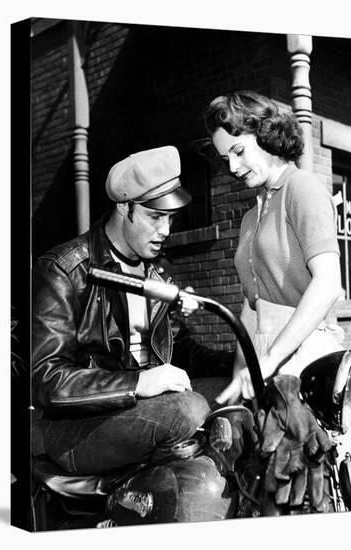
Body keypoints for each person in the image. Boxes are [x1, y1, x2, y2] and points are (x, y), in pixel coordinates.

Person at [32, 145, 232, 475]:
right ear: (125, 207)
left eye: (170, 218)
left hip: (151, 410)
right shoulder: (64, 269)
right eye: (155, 216)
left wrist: (234, 362)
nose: (166, 230)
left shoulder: (158, 271)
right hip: (77, 427)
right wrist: (138, 382)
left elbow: (176, 349)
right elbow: (45, 379)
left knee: (236, 397)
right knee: (190, 410)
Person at [204, 91, 344, 404]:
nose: (234, 166)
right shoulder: (251, 217)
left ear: (266, 136)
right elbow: (250, 308)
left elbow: (329, 283)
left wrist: (270, 359)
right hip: (262, 353)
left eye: (238, 151)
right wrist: (239, 382)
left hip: (305, 350)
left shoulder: (301, 187)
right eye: (226, 158)